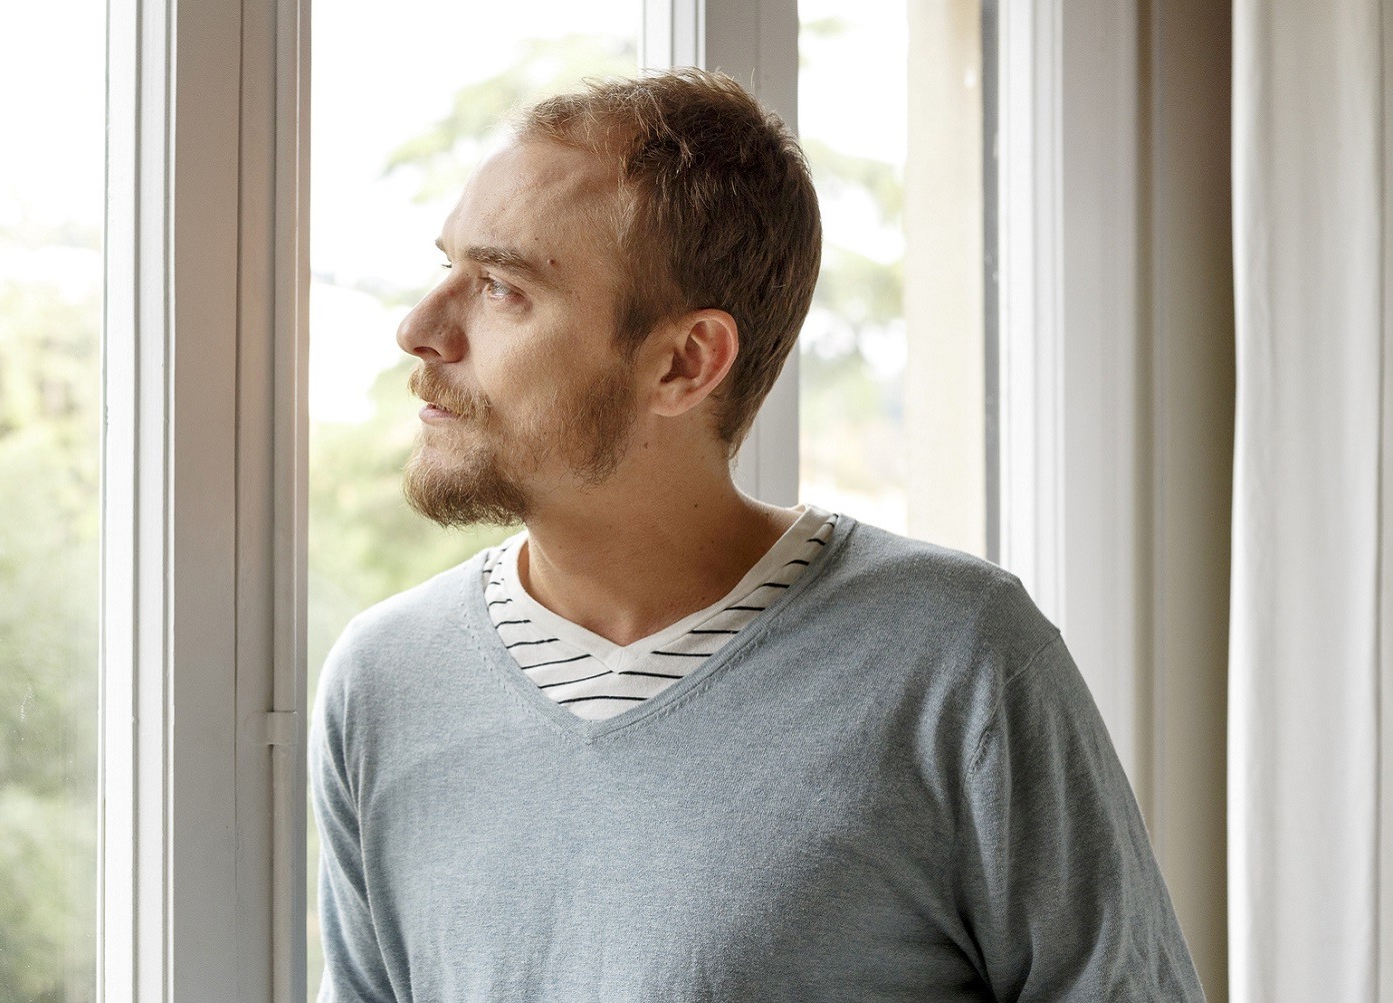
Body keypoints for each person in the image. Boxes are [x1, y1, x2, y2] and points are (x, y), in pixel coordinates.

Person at [309, 69, 1206, 1002]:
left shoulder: (957, 658)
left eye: (501, 288)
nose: (420, 327)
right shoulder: (384, 679)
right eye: (447, 265)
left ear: (686, 362)